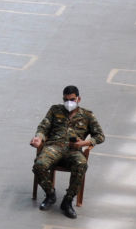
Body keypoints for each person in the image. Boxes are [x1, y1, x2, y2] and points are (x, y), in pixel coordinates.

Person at [30, 85, 105, 219]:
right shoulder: (55, 110)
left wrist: (84, 143)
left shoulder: (87, 115)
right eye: (66, 100)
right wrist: (38, 138)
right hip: (54, 147)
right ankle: (50, 194)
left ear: (78, 99)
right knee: (39, 165)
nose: (68, 103)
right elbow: (43, 127)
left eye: (72, 99)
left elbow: (100, 136)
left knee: (81, 165)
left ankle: (67, 201)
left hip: (73, 150)